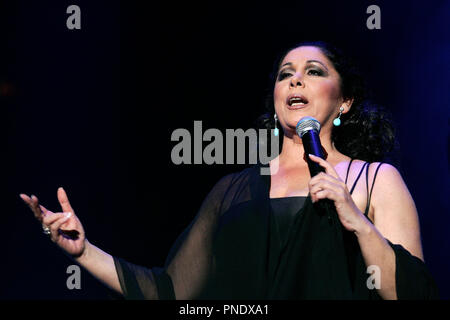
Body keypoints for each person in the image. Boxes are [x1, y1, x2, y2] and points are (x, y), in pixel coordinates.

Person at [20, 41, 438, 300]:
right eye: (285, 75)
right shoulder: (233, 190)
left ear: (344, 102)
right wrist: (83, 250)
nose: (295, 82)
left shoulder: (375, 180)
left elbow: (410, 294)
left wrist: (360, 224)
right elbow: (171, 292)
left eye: (314, 72)